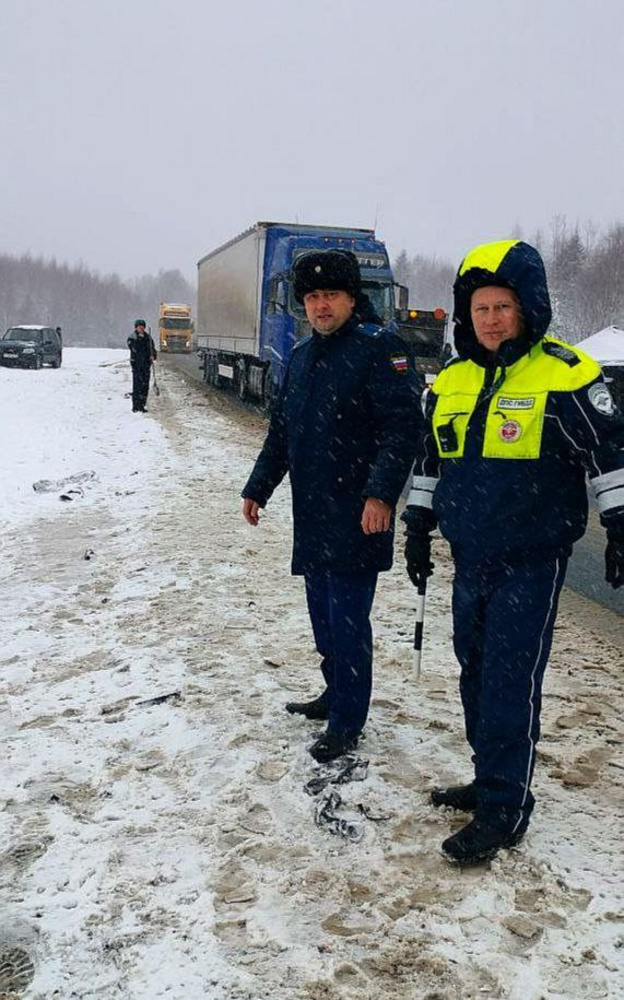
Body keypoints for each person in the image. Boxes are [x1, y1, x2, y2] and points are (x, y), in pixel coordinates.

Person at [403, 239, 624, 865]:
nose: (492, 318)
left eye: (504, 306)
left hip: (532, 555)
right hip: (469, 556)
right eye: (481, 307)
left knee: (508, 677)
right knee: (473, 668)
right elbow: (430, 461)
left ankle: (505, 807)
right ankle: (488, 776)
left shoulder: (565, 373)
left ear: (528, 308)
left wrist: (620, 522)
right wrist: (418, 523)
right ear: (464, 313)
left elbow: (609, 454)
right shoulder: (450, 380)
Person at [242, 249, 422, 763]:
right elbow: (282, 433)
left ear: (350, 299)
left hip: (359, 513)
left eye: (331, 296)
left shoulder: (379, 349)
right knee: (322, 617)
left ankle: (349, 720)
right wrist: (258, 487)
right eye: (313, 297)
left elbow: (403, 428)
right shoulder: (301, 356)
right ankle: (333, 693)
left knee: (347, 622)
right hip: (314, 512)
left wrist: (381, 494)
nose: (321, 306)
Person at [127, 319, 157, 413]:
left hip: (146, 365)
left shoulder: (148, 337)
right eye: (139, 326)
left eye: (142, 326)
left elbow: (152, 349)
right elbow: (134, 349)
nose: (141, 327)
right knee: (137, 385)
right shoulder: (132, 337)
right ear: (136, 327)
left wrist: (153, 356)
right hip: (137, 365)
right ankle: (136, 406)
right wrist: (140, 339)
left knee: (145, 386)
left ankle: (142, 404)